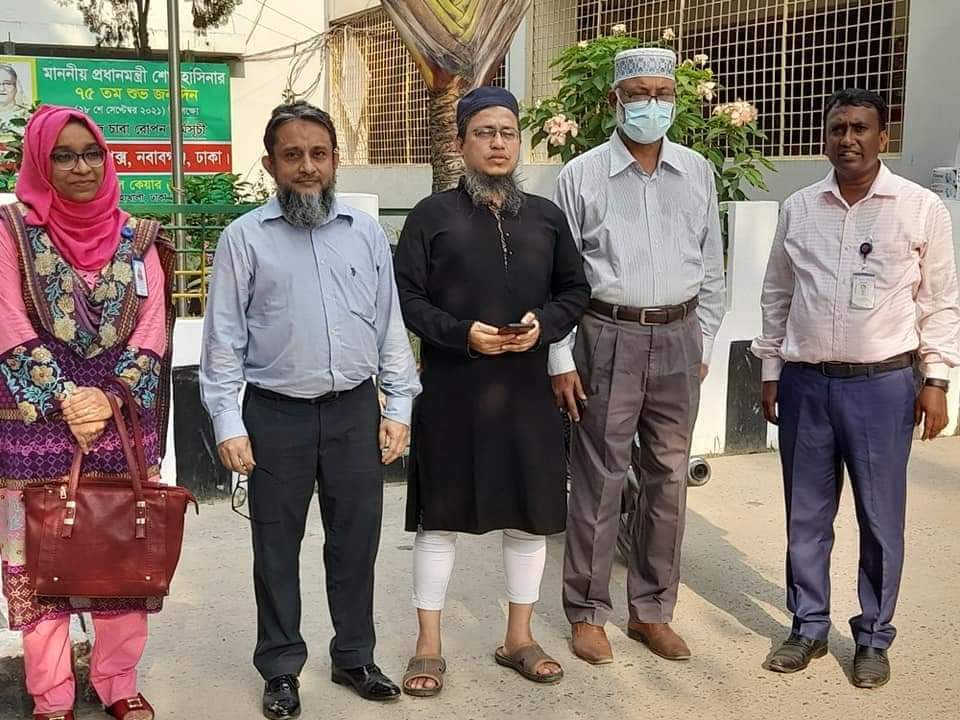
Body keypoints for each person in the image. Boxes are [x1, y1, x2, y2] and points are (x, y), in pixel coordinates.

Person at [199, 101, 420, 718]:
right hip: (275, 415)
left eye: (318, 154)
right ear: (270, 164)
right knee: (275, 546)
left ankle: (354, 656)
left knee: (356, 541)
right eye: (292, 155)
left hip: (353, 411)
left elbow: (388, 325)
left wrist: (398, 406)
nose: (307, 167)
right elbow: (223, 341)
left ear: (335, 160)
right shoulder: (245, 238)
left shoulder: (364, 232)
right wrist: (228, 422)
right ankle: (280, 666)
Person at [751, 88, 960, 688]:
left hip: (883, 385)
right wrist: (771, 371)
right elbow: (777, 294)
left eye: (860, 128)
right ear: (825, 138)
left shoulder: (920, 208)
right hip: (806, 384)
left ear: (882, 137)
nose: (848, 139)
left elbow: (940, 301)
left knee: (880, 519)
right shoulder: (799, 207)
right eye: (838, 128)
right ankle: (808, 627)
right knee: (805, 515)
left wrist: (937, 378)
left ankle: (872, 637)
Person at [393, 86, 590, 697]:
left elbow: (575, 290)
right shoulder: (431, 216)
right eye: (484, 132)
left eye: (507, 132)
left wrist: (543, 327)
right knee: (439, 519)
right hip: (452, 390)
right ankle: (429, 646)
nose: (498, 143)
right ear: (460, 143)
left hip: (527, 392)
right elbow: (405, 298)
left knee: (529, 517)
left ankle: (518, 639)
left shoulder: (546, 217)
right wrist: (461, 335)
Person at [0, 105, 176, 720]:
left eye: (92, 153)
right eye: (64, 156)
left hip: (120, 425)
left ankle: (117, 683)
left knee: (119, 553)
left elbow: (152, 329)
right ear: (40, 163)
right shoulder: (11, 231)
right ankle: (51, 695)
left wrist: (109, 397)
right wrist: (63, 398)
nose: (82, 167)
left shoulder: (138, 237)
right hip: (35, 425)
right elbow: (7, 319)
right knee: (41, 558)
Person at [551, 47, 725, 665]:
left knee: (669, 478)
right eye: (639, 94)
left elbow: (711, 265)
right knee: (599, 477)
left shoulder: (697, 171)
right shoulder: (581, 177)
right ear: (614, 101)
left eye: (663, 94)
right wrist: (561, 357)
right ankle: (587, 612)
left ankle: (651, 611)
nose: (652, 105)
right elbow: (560, 277)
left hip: (679, 336)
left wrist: (702, 339)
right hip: (607, 334)